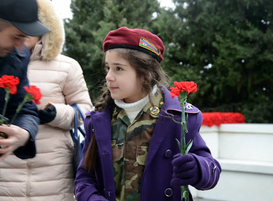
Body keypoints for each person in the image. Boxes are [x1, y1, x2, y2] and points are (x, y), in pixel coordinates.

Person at [74, 26, 221, 201]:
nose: (108, 76)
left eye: (118, 69)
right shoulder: (98, 120)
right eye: (108, 68)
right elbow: (84, 177)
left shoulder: (177, 117)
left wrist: (198, 168)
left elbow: (212, 170)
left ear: (145, 74)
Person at [0, 0, 93, 200]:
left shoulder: (68, 66)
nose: (25, 38)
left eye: (31, 29)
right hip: (7, 172)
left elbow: (87, 111)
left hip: (53, 171)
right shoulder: (12, 57)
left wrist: (55, 113)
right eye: (20, 32)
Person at [0, 0, 50, 161]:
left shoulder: (19, 57)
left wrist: (24, 132)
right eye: (16, 37)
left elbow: (24, 110)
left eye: (25, 38)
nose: (21, 46)